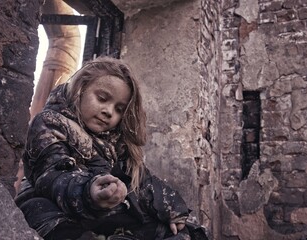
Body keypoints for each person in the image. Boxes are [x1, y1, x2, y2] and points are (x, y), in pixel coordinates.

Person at [15, 56, 203, 240]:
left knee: (179, 231)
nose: (109, 111)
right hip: (54, 205)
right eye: (102, 98)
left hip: (98, 212)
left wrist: (172, 209)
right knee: (38, 210)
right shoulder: (51, 122)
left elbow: (142, 182)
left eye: (119, 109)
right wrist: (89, 192)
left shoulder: (115, 142)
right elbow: (53, 174)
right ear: (80, 90)